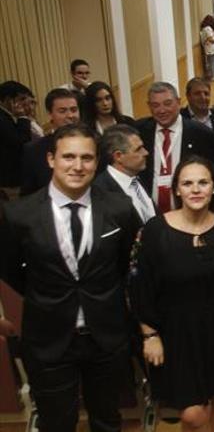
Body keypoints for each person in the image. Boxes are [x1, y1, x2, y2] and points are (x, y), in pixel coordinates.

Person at [0, 124, 141, 432]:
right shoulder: (19, 215)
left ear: (97, 162)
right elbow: (11, 271)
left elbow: (123, 264)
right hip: (49, 339)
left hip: (105, 336)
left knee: (108, 420)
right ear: (51, 159)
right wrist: (49, 294)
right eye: (69, 157)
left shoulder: (119, 208)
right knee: (57, 424)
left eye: (87, 158)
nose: (78, 166)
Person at [130, 155, 214, 430]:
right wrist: (149, 334)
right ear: (176, 189)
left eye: (203, 182)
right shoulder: (156, 231)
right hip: (177, 334)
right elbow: (142, 288)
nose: (196, 189)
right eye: (188, 183)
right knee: (192, 414)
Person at [135, 82, 214, 214]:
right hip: (150, 215)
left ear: (179, 102)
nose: (162, 110)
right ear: (149, 106)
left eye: (167, 103)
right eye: (155, 105)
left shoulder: (201, 134)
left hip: (191, 214)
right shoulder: (139, 131)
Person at [20, 88, 82, 196]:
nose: (70, 116)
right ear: (50, 114)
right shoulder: (34, 150)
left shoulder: (95, 143)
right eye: (62, 111)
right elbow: (28, 194)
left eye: (74, 110)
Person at [93, 124, 156, 223]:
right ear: (118, 156)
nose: (146, 153)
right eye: (138, 149)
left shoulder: (139, 178)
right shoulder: (101, 190)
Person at [0, 81, 35, 198]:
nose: (24, 102)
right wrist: (22, 117)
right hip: (10, 179)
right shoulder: (2, 119)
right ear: (8, 100)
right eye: (21, 99)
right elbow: (23, 142)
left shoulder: (6, 116)